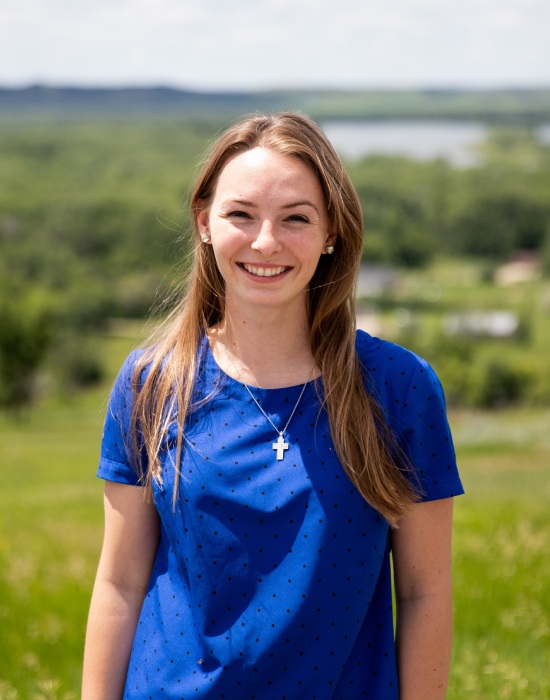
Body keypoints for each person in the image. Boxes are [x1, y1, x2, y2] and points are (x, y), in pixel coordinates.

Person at [82, 112, 464, 700]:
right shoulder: (152, 383)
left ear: (332, 232)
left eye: (296, 218)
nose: (266, 242)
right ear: (204, 222)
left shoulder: (398, 387)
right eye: (241, 214)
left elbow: (425, 593)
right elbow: (120, 583)